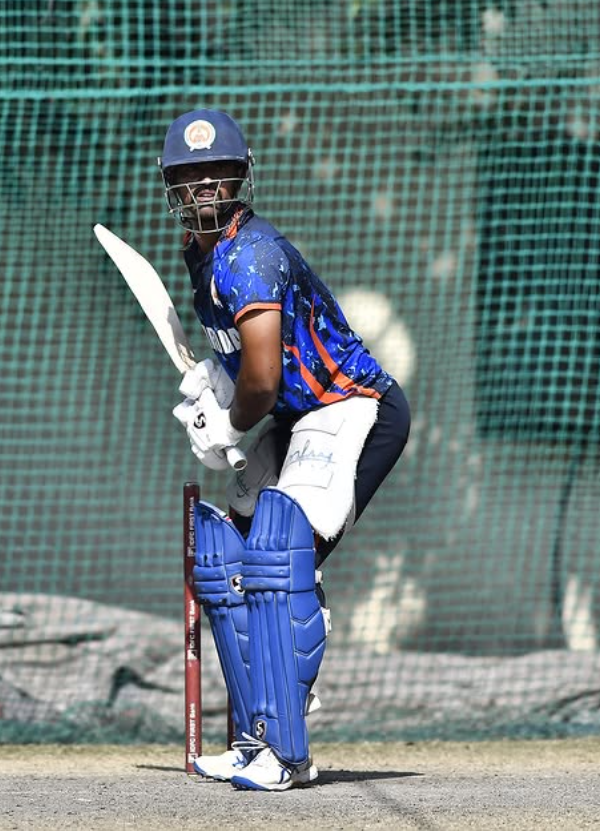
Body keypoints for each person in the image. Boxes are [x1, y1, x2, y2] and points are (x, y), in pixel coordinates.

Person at [162, 109, 411, 791]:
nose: (204, 184)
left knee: (275, 555)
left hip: (352, 404)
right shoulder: (202, 255)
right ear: (172, 187)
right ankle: (255, 738)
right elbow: (250, 365)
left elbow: (265, 379)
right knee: (226, 558)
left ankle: (289, 751)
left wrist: (231, 423)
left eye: (216, 172)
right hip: (301, 417)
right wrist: (213, 387)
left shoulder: (252, 254)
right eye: (189, 174)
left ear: (242, 177)